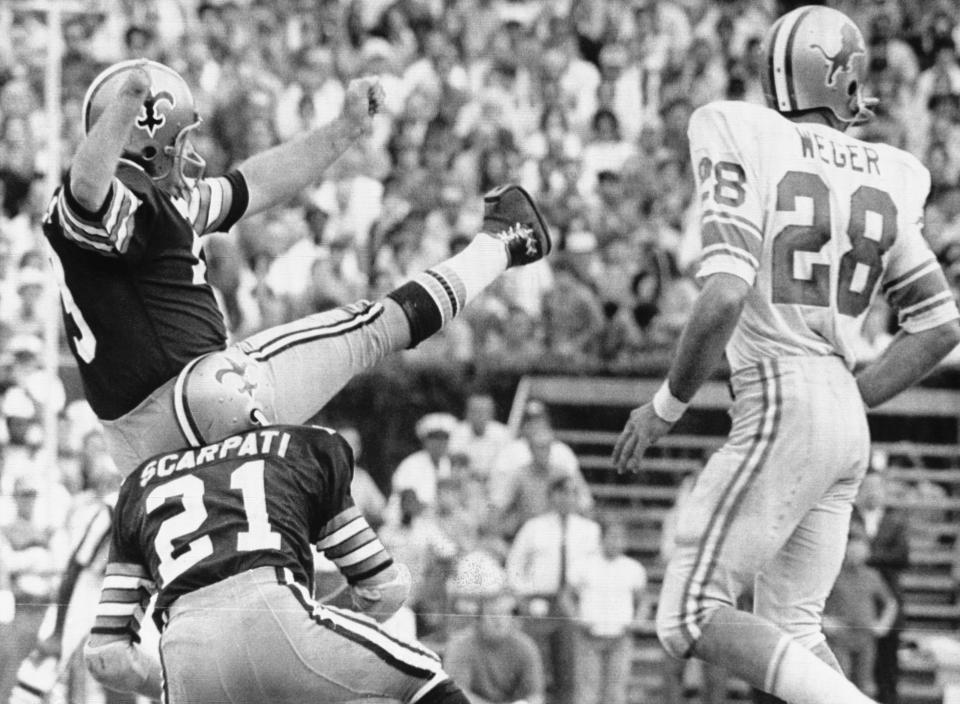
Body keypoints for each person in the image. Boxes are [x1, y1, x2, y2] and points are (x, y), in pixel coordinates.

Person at [611, 7, 960, 704]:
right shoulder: (891, 171)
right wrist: (848, 399)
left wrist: (665, 406)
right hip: (840, 407)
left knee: (686, 612)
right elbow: (939, 323)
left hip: (780, 388)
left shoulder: (741, 129)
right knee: (795, 633)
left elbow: (722, 297)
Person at [43, 59, 551, 473]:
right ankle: (505, 242)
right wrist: (130, 100)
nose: (190, 152)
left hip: (135, 450)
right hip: (197, 397)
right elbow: (87, 189)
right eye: (180, 138)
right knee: (371, 329)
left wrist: (343, 130)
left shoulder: (156, 204)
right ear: (148, 142)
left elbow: (256, 184)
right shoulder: (116, 199)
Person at [82, 423, 475, 704]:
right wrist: (314, 620)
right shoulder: (298, 446)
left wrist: (176, 683)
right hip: (276, 616)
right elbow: (384, 591)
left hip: (185, 655)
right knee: (420, 676)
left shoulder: (138, 484)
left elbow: (107, 659)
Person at [505, 476, 600, 704]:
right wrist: (522, 595)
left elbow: (596, 569)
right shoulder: (534, 527)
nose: (566, 498)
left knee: (568, 669)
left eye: (571, 493)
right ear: (551, 496)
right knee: (535, 664)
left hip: (573, 602)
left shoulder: (590, 530)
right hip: (540, 601)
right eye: (561, 493)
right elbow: (514, 564)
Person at [444, 550, 545, 704]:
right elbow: (456, 695)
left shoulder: (525, 646)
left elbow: (536, 696)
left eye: (505, 614)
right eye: (493, 615)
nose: (499, 621)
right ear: (478, 617)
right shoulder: (460, 645)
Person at [569, 519, 648, 704]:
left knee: (616, 692)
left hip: (620, 636)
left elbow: (643, 601)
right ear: (602, 538)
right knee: (587, 691)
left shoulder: (633, 568)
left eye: (620, 537)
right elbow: (567, 595)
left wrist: (638, 620)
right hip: (589, 635)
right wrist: (576, 618)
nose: (615, 541)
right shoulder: (584, 565)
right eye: (611, 536)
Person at [823, 521, 899, 697]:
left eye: (860, 549)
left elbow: (890, 603)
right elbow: (813, 601)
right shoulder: (832, 573)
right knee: (840, 680)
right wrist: (823, 620)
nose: (856, 553)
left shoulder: (872, 575)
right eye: (852, 548)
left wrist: (883, 625)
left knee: (865, 684)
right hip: (840, 637)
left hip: (866, 636)